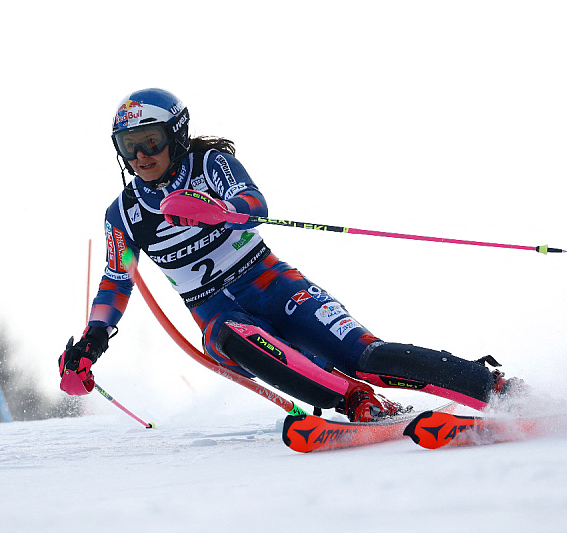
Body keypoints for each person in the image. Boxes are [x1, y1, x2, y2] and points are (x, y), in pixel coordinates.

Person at [58, 88, 525, 422]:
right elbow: (116, 279)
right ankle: (357, 405)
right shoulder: (122, 213)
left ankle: (499, 390)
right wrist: (93, 341)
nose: (141, 156)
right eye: (129, 147)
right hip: (219, 313)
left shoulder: (210, 164)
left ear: (176, 135)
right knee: (227, 336)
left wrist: (217, 211)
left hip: (275, 286)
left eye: (152, 141)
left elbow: (254, 205)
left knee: (366, 357)